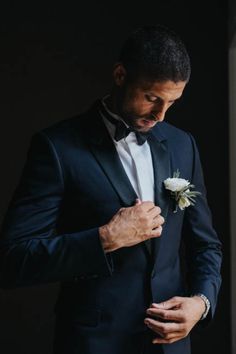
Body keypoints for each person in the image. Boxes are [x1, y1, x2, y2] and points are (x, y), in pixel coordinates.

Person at [0, 25, 222, 354]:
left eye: (172, 102)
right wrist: (105, 239)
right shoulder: (57, 148)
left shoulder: (182, 145)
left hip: (171, 346)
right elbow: (13, 259)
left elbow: (206, 246)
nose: (161, 115)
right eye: (152, 98)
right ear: (120, 75)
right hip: (94, 344)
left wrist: (201, 303)